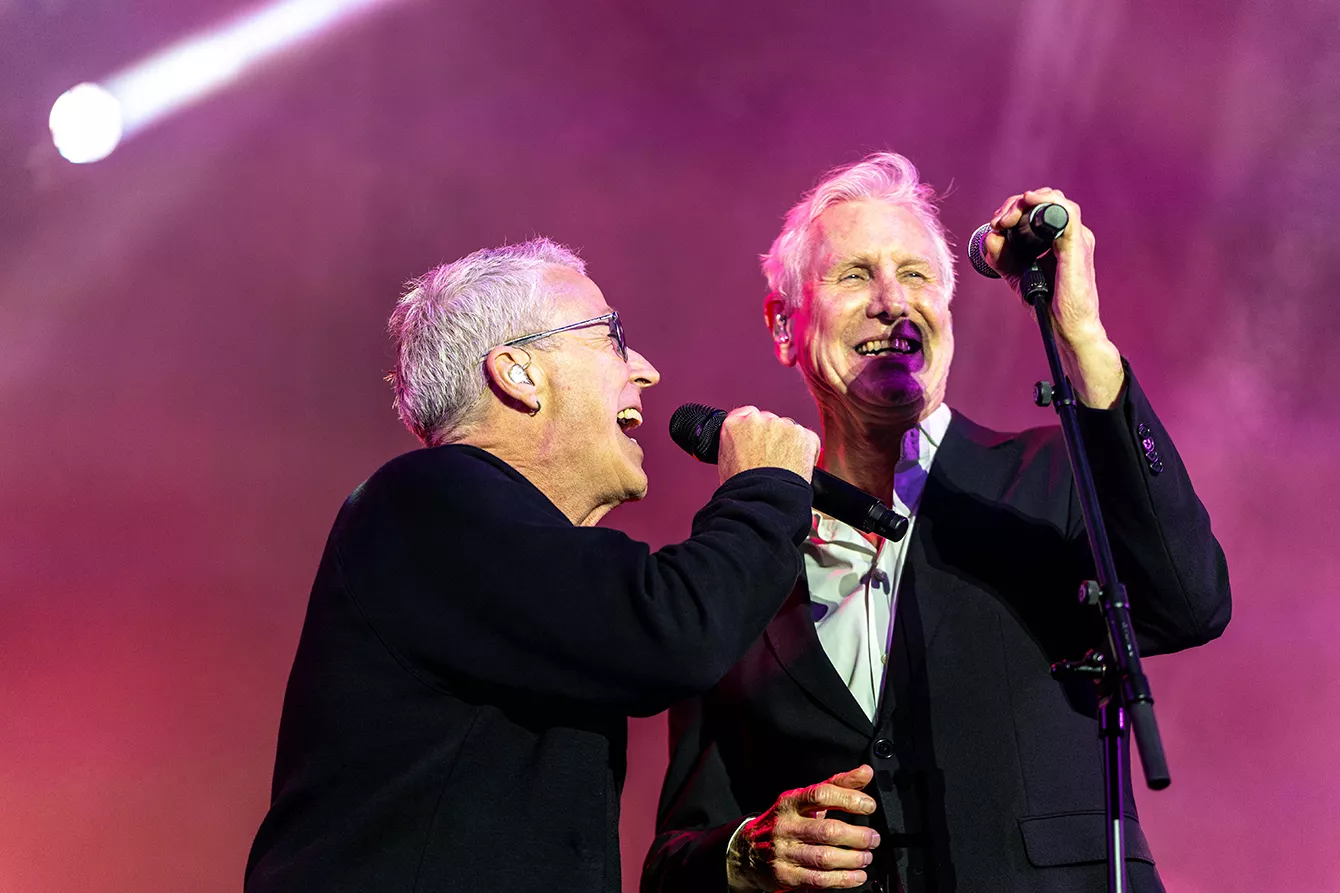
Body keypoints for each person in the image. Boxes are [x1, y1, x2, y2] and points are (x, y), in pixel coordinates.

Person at [642, 154, 1231, 893]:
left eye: (917, 275)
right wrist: (742, 852)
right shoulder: (739, 556)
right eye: (854, 275)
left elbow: (1191, 602)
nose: (893, 301)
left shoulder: (1054, 477)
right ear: (784, 325)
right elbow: (671, 855)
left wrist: (1083, 337)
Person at [244, 237, 822, 893]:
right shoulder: (427, 500)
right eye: (611, 337)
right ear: (518, 373)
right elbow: (671, 629)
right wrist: (765, 487)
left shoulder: (482, 545)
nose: (646, 370)